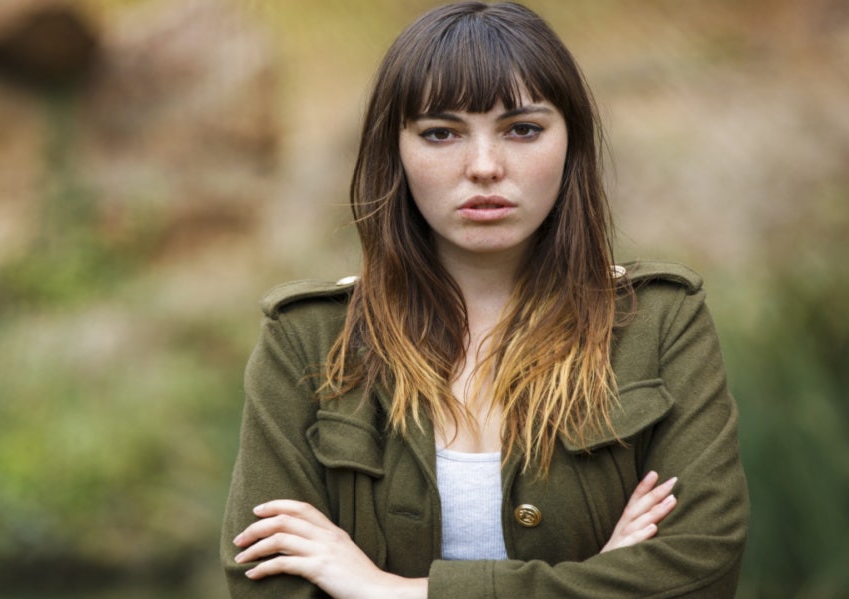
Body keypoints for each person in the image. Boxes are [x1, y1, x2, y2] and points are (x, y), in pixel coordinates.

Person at [221, 2, 749, 597]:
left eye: (522, 129)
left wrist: (383, 589)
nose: (484, 167)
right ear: (394, 149)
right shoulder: (308, 338)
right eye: (440, 133)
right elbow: (264, 584)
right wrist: (599, 579)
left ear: (570, 141)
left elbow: (701, 567)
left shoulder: (659, 322)